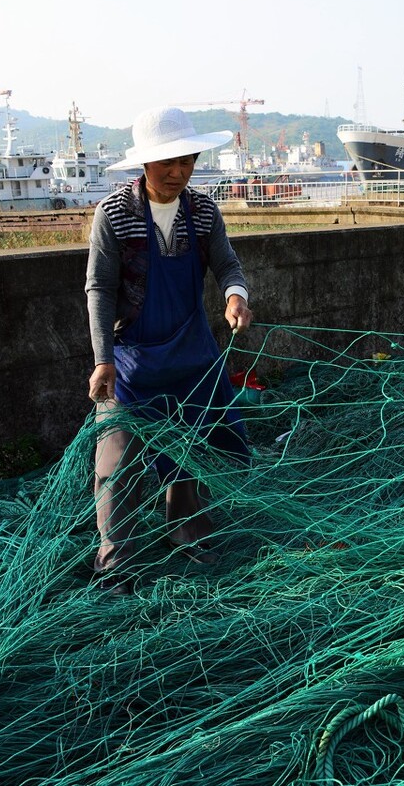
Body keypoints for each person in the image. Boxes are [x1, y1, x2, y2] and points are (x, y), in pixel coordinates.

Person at [85, 106, 254, 596]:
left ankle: (189, 536)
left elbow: (227, 264)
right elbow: (99, 289)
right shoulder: (113, 215)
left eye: (187, 161)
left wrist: (235, 296)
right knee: (116, 465)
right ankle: (116, 561)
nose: (178, 172)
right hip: (132, 362)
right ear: (145, 165)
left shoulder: (202, 212)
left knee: (193, 451)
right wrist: (103, 359)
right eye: (167, 164)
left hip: (192, 356)